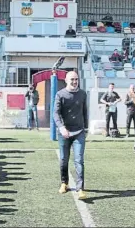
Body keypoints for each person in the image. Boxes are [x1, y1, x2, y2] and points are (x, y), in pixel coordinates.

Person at [53, 71, 88, 200]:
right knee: (64, 159)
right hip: (65, 133)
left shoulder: (83, 94)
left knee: (79, 160)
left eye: (76, 79)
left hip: (79, 132)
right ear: (66, 80)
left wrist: (86, 128)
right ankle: (64, 183)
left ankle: (80, 188)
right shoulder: (60, 94)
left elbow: (85, 112)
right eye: (72, 79)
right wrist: (61, 128)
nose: (74, 82)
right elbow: (55, 114)